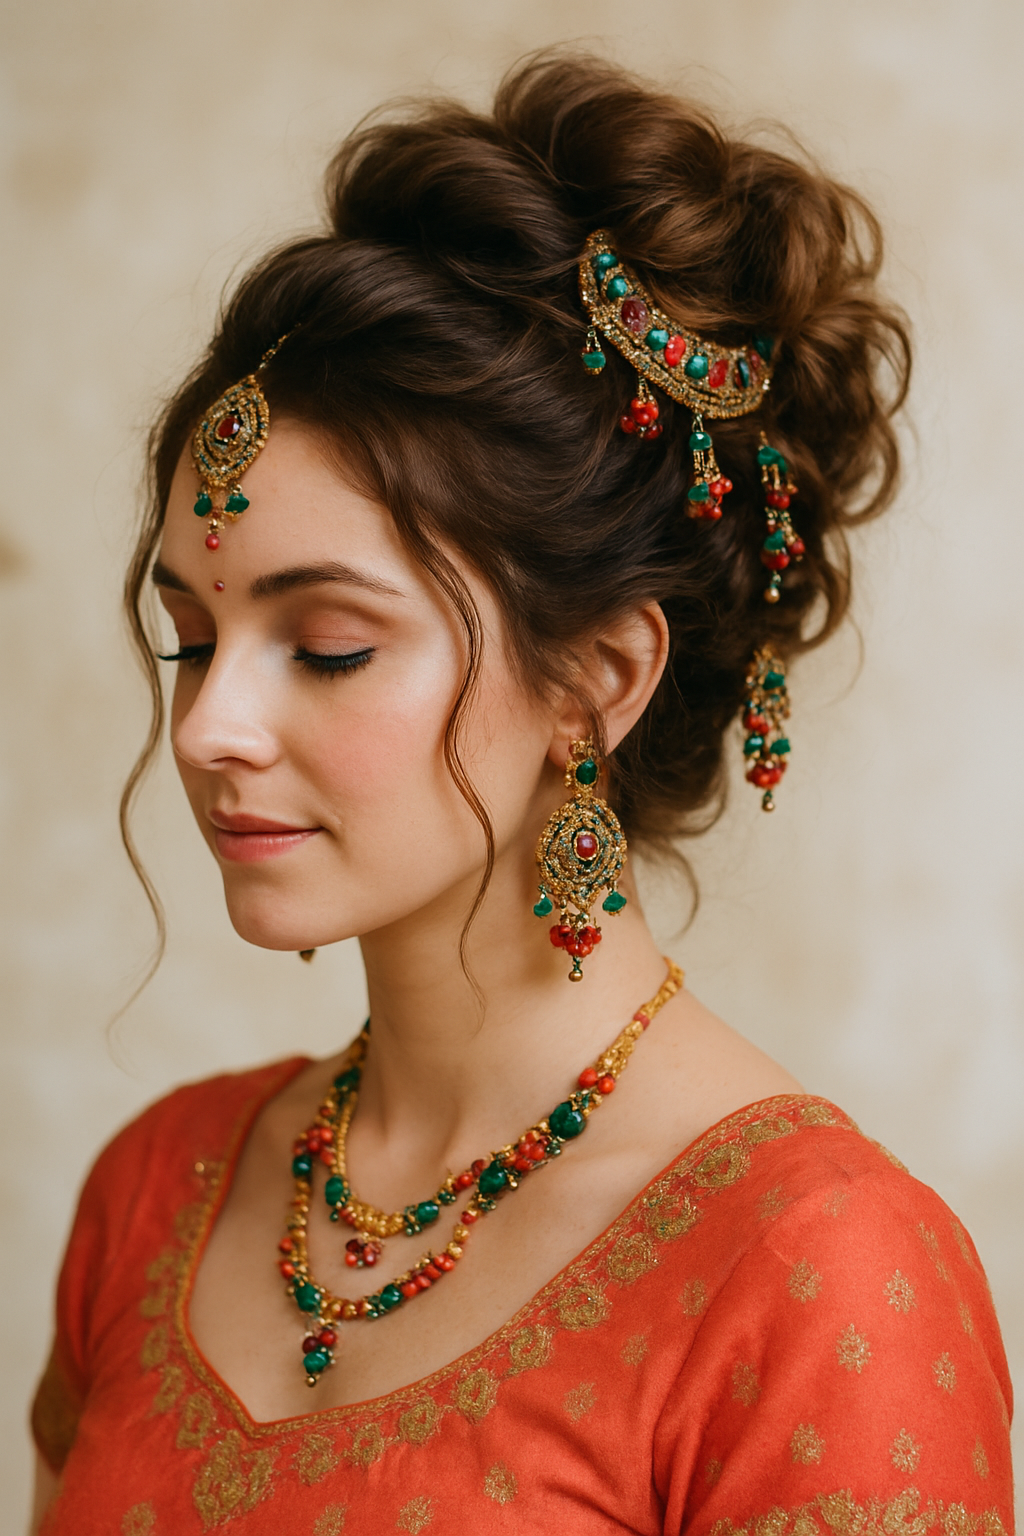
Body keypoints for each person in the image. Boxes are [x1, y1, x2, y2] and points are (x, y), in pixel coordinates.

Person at [29, 53, 1013, 1536]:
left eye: (330, 645)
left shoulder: (815, 1270)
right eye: (194, 638)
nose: (211, 726)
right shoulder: (156, 1192)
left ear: (598, 680)